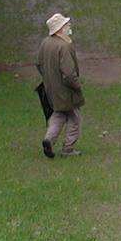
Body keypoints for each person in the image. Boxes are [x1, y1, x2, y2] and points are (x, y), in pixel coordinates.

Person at [36, 12, 84, 158]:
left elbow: (38, 63)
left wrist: (49, 78)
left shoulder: (45, 43)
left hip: (51, 89)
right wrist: (77, 85)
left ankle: (49, 140)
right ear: (59, 29)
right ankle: (68, 149)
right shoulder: (64, 46)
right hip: (65, 90)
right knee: (74, 118)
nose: (69, 26)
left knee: (58, 114)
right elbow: (69, 74)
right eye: (66, 24)